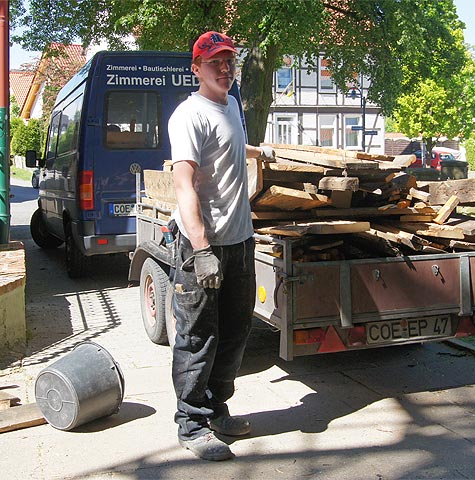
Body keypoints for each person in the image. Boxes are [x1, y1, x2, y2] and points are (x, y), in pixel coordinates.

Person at [167, 30, 275, 461]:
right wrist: (201, 248)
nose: (225, 69)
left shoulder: (230, 104)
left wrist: (255, 150)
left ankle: (216, 408)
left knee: (236, 331)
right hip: (204, 245)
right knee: (198, 337)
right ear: (196, 69)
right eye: (215, 62)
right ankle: (191, 423)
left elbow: (224, 146)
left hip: (240, 241)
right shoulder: (187, 115)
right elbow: (184, 184)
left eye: (229, 61)